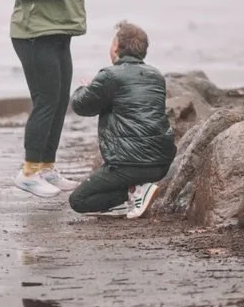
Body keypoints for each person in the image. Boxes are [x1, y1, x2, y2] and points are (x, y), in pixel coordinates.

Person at [2, 0, 108, 197]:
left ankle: (47, 168)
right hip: (33, 34)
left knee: (61, 102)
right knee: (46, 101)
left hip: (63, 31)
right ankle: (28, 172)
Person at [67, 21, 176, 218]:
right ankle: (136, 191)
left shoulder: (110, 76)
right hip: (161, 162)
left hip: (130, 163)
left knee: (78, 201)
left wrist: (85, 89)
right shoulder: (156, 75)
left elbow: (81, 106)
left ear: (116, 47)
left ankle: (134, 192)